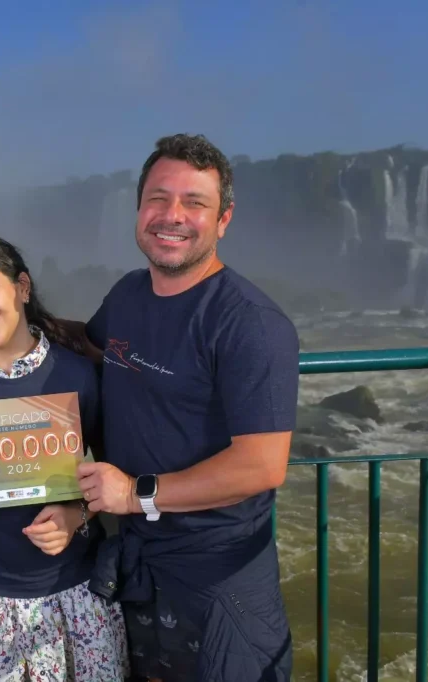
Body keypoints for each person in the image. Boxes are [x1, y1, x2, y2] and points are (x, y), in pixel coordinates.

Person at [74, 134, 300, 682]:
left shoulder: (249, 323)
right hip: (135, 569)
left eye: (194, 203)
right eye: (158, 198)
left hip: (218, 587)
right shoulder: (128, 295)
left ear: (223, 219)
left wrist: (133, 494)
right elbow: (80, 345)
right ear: (139, 208)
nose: (171, 215)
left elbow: (262, 465)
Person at [0, 235, 129, 682]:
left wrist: (77, 513)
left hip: (76, 593)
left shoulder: (76, 373)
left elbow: (116, 475)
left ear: (22, 287)